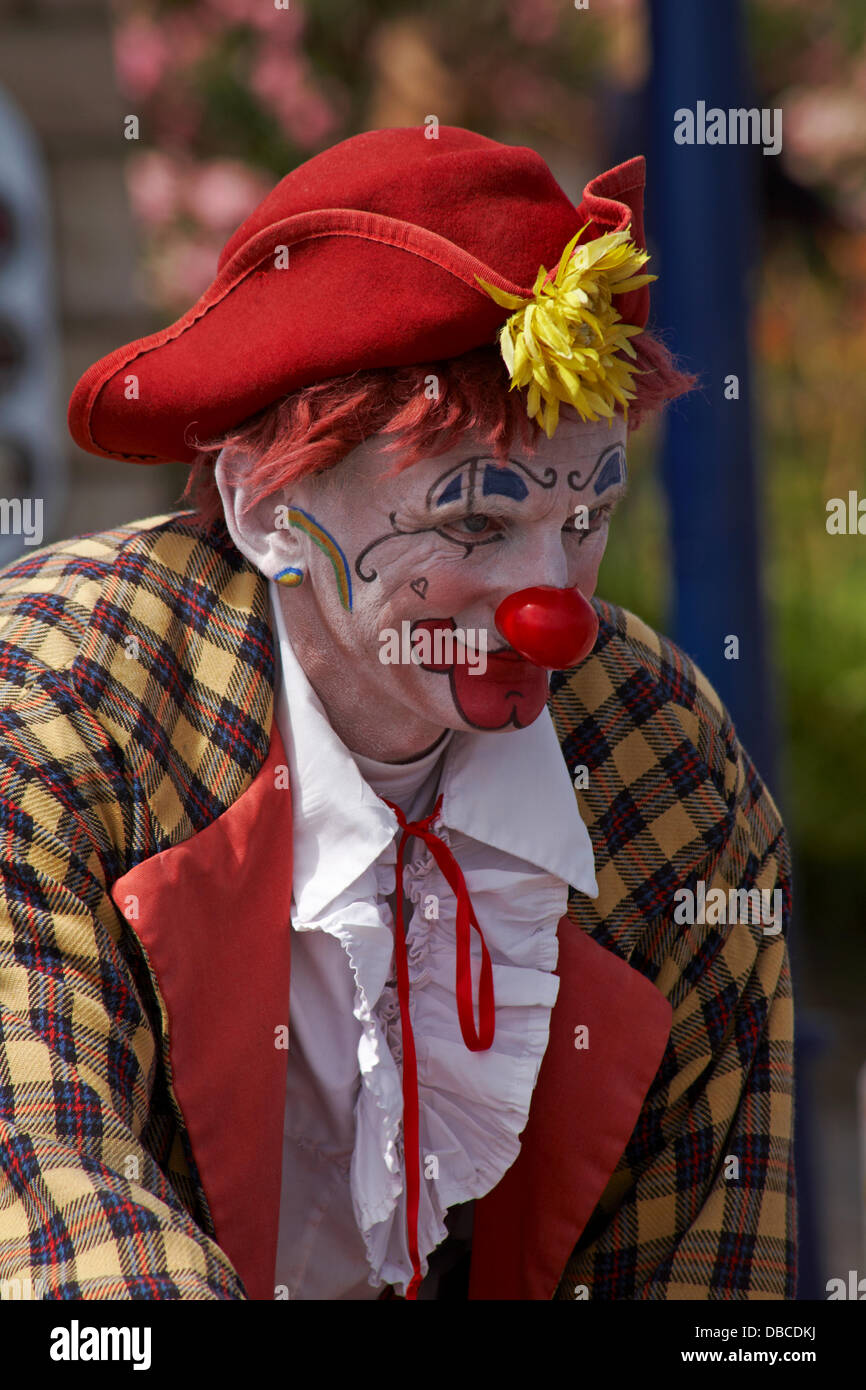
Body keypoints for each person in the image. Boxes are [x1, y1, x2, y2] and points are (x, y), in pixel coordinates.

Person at [0, 125, 795, 1301]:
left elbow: (710, 1261)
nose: (554, 610)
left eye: (584, 518)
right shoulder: (54, 702)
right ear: (272, 510)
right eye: (472, 522)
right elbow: (60, 1211)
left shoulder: (662, 761)